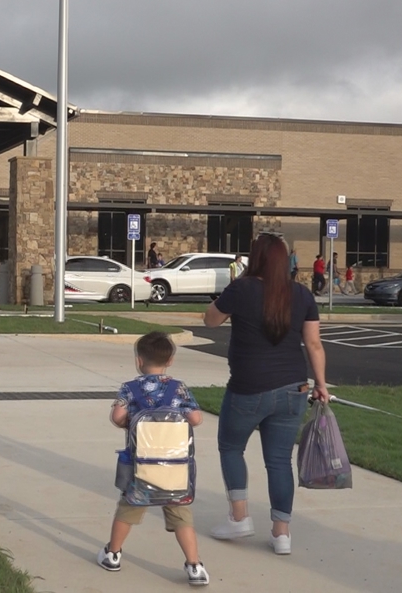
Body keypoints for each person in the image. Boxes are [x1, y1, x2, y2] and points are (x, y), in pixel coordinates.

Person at [202, 233, 329, 556]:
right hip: (294, 388)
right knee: (278, 461)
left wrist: (230, 294)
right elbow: (313, 344)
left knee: (231, 447)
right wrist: (322, 384)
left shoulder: (241, 289)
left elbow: (210, 320)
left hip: (248, 388)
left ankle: (240, 517)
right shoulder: (301, 294)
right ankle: (281, 533)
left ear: (254, 258)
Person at [96, 331, 210, 586]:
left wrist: (129, 422)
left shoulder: (130, 388)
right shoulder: (178, 388)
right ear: (170, 360)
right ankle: (195, 566)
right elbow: (196, 419)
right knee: (181, 513)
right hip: (174, 469)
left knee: (128, 508)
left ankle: (113, 554)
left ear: (138, 360)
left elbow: (117, 417)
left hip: (141, 467)